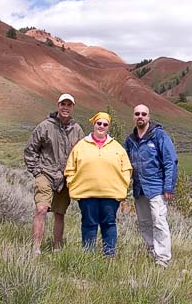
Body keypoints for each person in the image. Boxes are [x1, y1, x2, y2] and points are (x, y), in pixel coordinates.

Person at [24, 93, 85, 255]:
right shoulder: (45, 126)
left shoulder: (77, 130)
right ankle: (36, 248)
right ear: (58, 106)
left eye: (69, 105)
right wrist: (36, 171)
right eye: (63, 104)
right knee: (41, 209)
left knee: (60, 213)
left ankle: (57, 247)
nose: (65, 107)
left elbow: (83, 154)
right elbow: (31, 149)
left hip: (65, 178)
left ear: (72, 108)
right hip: (45, 173)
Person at [65, 111, 132, 257]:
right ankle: (88, 256)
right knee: (89, 223)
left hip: (111, 195)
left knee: (109, 224)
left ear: (108, 127)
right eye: (98, 123)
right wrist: (72, 184)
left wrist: (123, 186)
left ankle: (109, 256)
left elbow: (127, 169)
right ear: (94, 124)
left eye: (105, 124)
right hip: (87, 195)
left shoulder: (117, 148)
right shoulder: (80, 146)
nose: (101, 126)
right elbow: (70, 168)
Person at [124, 104, 178, 268]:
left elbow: (171, 161)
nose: (140, 116)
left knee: (159, 220)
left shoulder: (159, 135)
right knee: (144, 222)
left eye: (143, 114)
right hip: (139, 188)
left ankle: (162, 258)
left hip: (156, 187)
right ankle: (152, 250)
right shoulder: (130, 140)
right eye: (137, 114)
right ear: (133, 117)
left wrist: (168, 186)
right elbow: (123, 163)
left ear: (148, 116)